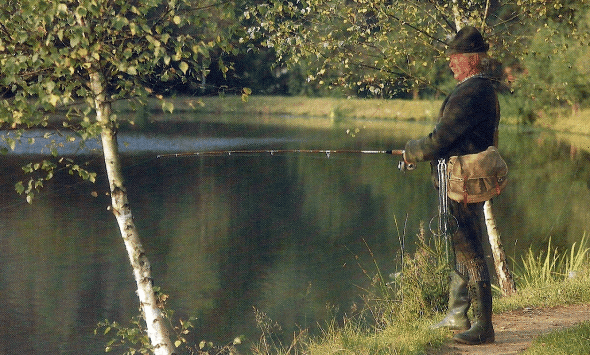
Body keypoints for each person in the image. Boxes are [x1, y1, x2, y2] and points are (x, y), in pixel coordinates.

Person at [402, 26, 501, 345]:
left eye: (455, 58)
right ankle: (459, 315)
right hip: (463, 179)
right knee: (463, 249)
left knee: (471, 252)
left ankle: (484, 328)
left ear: (472, 59)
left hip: (462, 182)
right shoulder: (481, 89)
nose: (450, 63)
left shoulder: (472, 93)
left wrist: (412, 150)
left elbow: (439, 140)